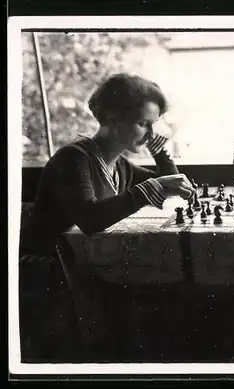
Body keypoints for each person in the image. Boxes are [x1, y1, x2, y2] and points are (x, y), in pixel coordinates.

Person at [19, 73, 196, 359]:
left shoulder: (119, 164)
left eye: (154, 125)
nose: (151, 133)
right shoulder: (73, 159)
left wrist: (162, 154)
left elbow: (168, 184)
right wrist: (149, 188)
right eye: (143, 124)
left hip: (82, 264)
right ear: (113, 119)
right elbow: (90, 219)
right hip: (47, 272)